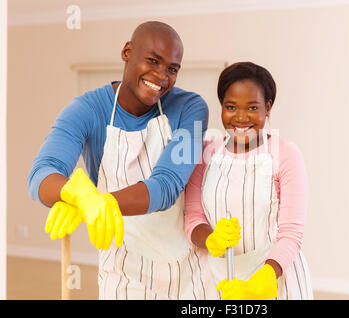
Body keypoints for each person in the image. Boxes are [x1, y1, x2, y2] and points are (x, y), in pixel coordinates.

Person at [28, 21, 212, 300]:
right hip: (122, 268)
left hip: (188, 270)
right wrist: (75, 195)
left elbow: (168, 184)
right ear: (127, 52)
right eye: (153, 60)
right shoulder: (85, 110)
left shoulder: (191, 108)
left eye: (172, 68)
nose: (161, 76)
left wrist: (102, 202)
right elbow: (42, 173)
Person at [184, 62, 314, 299]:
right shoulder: (205, 154)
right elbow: (193, 217)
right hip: (218, 280)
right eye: (231, 106)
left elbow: (291, 233)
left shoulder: (285, 154)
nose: (241, 118)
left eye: (252, 107)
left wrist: (264, 279)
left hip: (274, 279)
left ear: (268, 107)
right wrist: (210, 238)